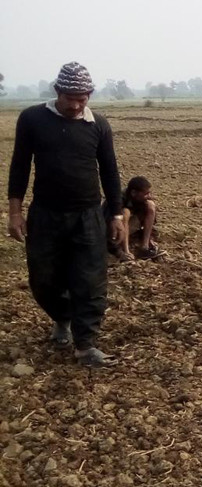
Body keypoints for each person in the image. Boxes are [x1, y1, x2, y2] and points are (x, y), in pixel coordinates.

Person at [6, 62, 123, 367]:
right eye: (69, 97)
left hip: (87, 215)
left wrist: (117, 216)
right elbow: (20, 165)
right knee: (43, 278)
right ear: (57, 91)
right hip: (46, 214)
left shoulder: (98, 124)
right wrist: (15, 212)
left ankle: (85, 345)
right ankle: (62, 318)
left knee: (91, 280)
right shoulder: (32, 119)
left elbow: (110, 171)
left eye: (82, 98)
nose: (75, 105)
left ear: (89, 95)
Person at [106, 176, 160, 261]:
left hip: (128, 226)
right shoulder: (118, 200)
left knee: (150, 205)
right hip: (111, 229)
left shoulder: (138, 199)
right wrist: (118, 251)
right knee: (125, 212)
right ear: (134, 193)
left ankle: (145, 245)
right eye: (146, 194)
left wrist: (151, 237)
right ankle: (126, 250)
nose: (148, 196)